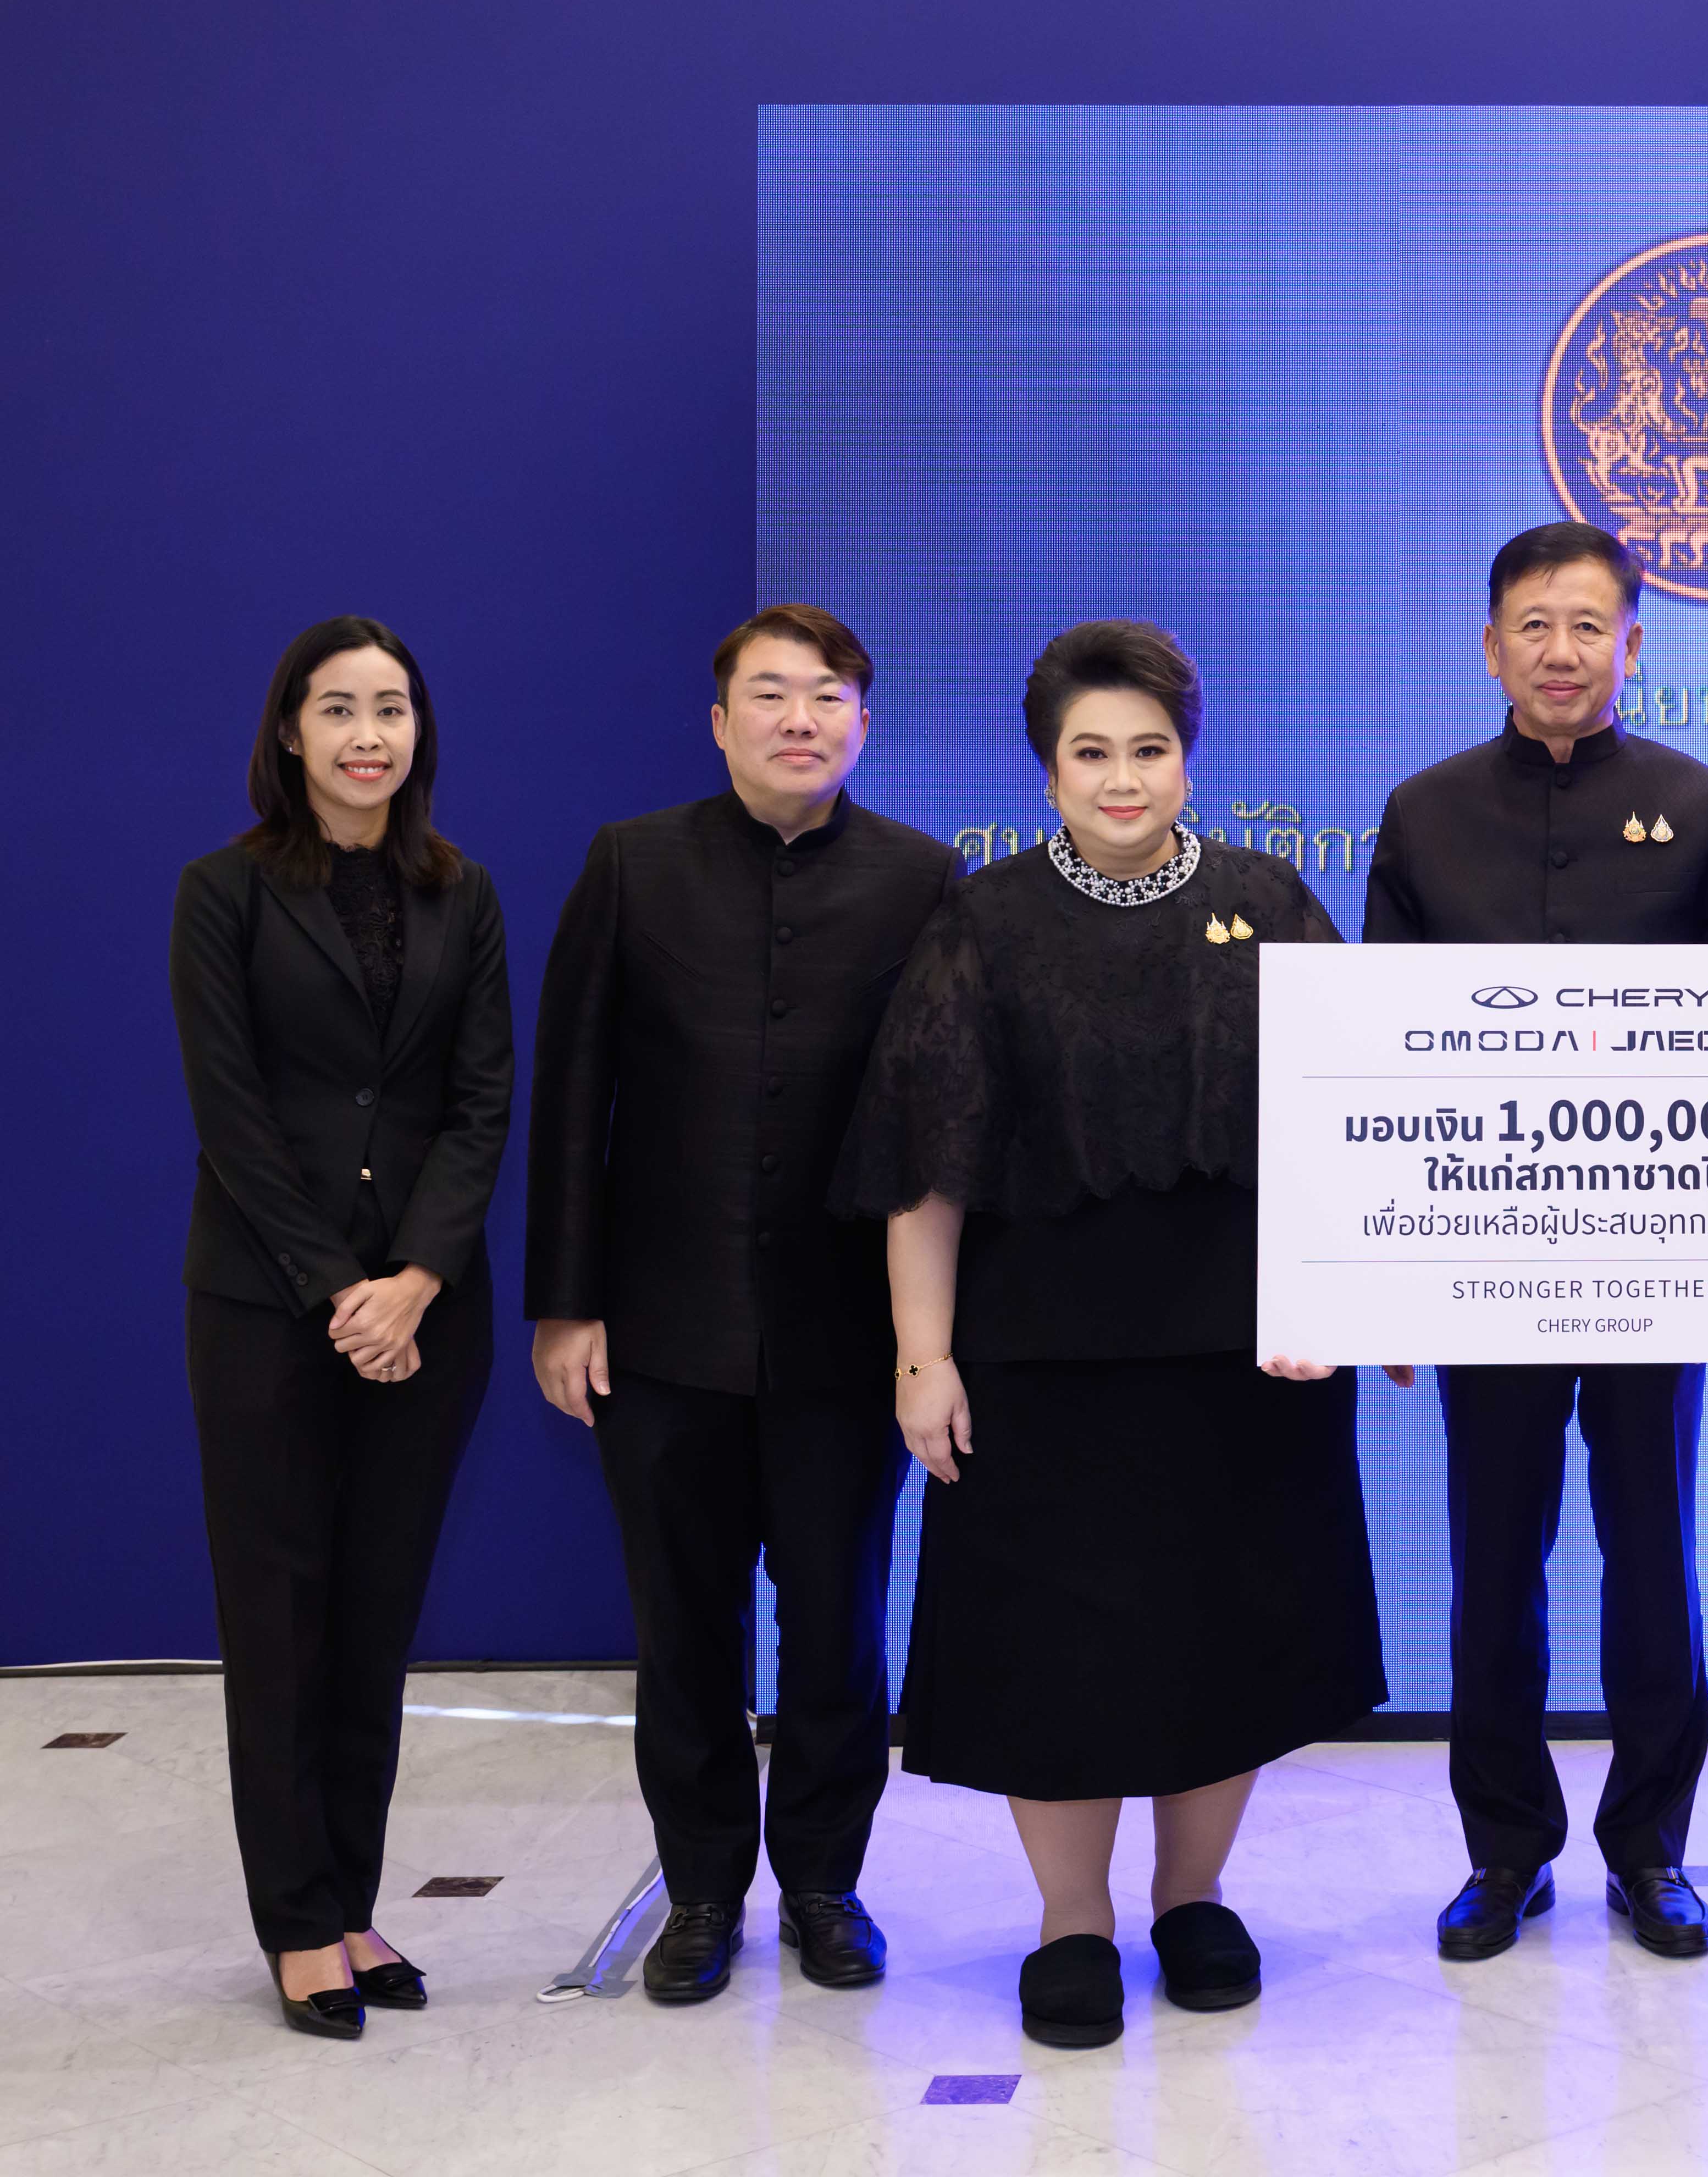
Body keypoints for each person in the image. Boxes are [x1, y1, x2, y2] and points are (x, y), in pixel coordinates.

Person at [838, 618, 1385, 2048]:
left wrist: (1359, 1301)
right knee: (1053, 1653)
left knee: (1226, 1634)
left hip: (1245, 1354)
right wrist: (921, 1356)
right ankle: (1071, 1920)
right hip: (1038, 1356)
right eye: (1093, 753)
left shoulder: (1269, 899)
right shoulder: (985, 920)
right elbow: (925, 1165)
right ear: (1049, 770)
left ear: (1188, 760)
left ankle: (1192, 1900)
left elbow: (1360, 1127)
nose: (1124, 778)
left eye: (1149, 750)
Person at [523, 604, 956, 2005]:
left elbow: (941, 1120)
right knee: (684, 1632)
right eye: (769, 695)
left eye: (826, 695)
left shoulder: (923, 880)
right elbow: (573, 1091)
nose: (798, 719)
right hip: (661, 1333)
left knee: (838, 1629)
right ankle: (703, 1891)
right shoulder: (633, 864)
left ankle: (826, 1884)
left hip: (846, 1340)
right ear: (720, 724)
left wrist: (934, 1341)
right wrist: (564, 1303)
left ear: (863, 725)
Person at [1362, 523, 1708, 1963]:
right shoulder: (1424, 813)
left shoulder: (1705, 807)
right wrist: (1392, 1277)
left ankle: (1652, 1848)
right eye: (1534, 625)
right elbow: (1384, 1052)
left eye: (1589, 626)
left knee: (1655, 1559)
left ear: (1634, 644)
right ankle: (1504, 1849)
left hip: (1657, 1260)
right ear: (1491, 646)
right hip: (1483, 1256)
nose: (1561, 651)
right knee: (1493, 1562)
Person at [169, 616, 512, 2038]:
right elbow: (232, 1115)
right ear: (290, 733)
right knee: (280, 1621)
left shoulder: (462, 891)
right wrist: (338, 1290)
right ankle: (297, 1922)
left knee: (375, 1623)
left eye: (392, 708)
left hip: (427, 1318)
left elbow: (483, 1102)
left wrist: (417, 1278)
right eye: (339, 709)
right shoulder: (224, 892)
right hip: (268, 1310)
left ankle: (352, 1900)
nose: (369, 735)